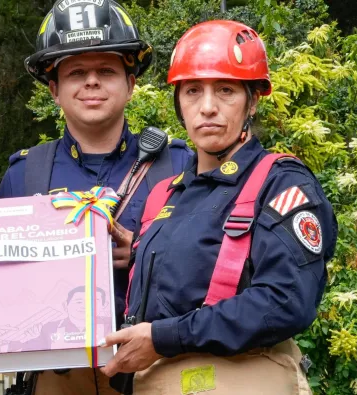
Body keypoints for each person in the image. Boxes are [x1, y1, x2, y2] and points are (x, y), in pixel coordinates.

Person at [99, 20, 336, 395]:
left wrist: (164, 337)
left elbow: (285, 301)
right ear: (179, 102)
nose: (207, 107)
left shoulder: (280, 183)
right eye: (193, 91)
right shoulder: (165, 195)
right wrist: (142, 253)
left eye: (225, 90)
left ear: (252, 100)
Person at [0, 1, 193, 393]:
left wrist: (143, 255)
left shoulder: (179, 165)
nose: (91, 82)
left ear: (131, 84)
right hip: (58, 376)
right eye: (76, 72)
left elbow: (212, 269)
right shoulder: (24, 175)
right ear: (54, 90)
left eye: (106, 70)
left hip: (161, 370)